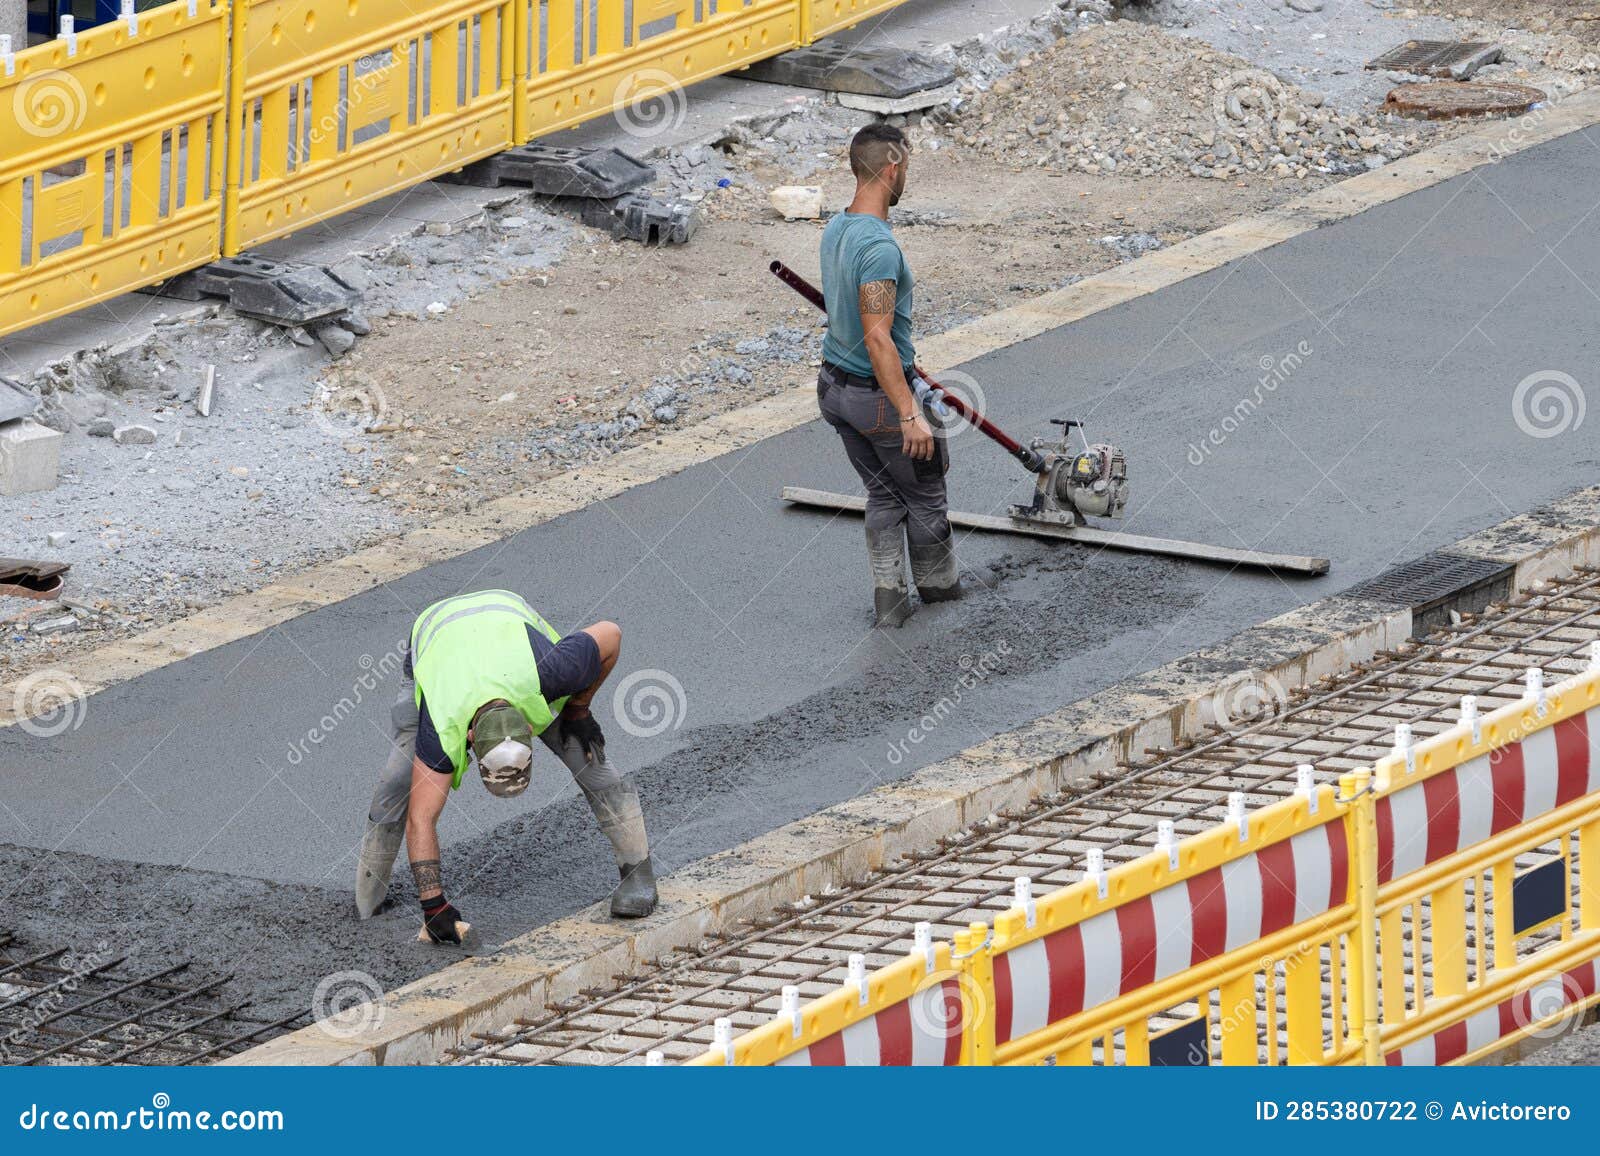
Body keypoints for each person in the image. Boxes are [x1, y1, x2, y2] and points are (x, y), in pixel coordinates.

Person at [355, 589, 657, 941]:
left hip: (509, 628)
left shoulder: (555, 673)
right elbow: (421, 819)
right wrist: (433, 905)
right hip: (435, 632)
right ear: (469, 739)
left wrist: (579, 709)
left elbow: (611, 633)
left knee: (589, 758)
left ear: (530, 730)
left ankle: (638, 874)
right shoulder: (441, 722)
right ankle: (368, 898)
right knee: (398, 779)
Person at [817, 122, 961, 628]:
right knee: (925, 494)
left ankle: (890, 605)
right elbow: (878, 337)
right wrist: (908, 414)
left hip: (834, 389)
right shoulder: (879, 248)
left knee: (882, 493)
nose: (908, 180)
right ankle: (940, 597)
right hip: (877, 399)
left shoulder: (836, 228)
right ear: (893, 166)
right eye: (908, 168)